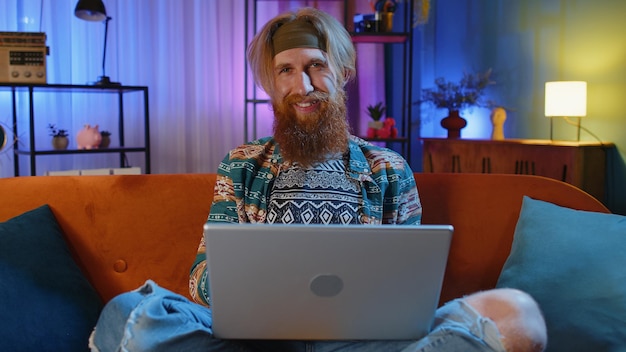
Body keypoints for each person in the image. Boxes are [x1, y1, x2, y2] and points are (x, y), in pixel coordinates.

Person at [90, 7, 547, 352]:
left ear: (342, 72)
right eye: (285, 71)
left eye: (315, 66)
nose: (302, 86)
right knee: (131, 312)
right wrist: (247, 283)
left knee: (517, 313)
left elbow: (410, 285)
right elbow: (200, 279)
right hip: (256, 342)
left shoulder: (388, 168)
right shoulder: (243, 164)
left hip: (360, 343)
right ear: (272, 84)